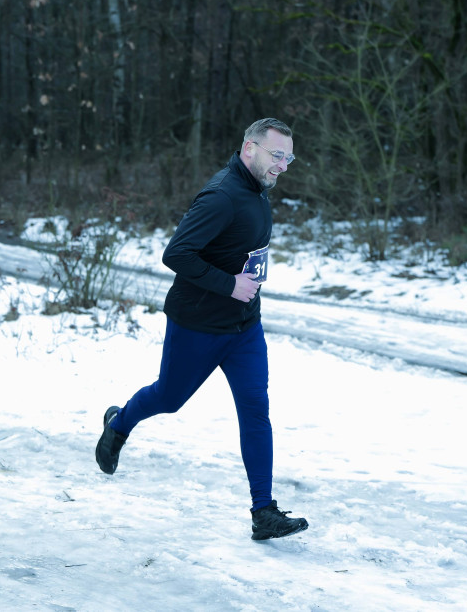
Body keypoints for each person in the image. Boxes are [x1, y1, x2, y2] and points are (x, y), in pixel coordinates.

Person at [95, 118, 308, 541]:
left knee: (255, 411)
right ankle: (119, 423)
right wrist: (230, 284)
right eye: (276, 155)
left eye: (289, 157)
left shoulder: (258, 191)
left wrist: (244, 286)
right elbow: (177, 254)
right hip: (197, 326)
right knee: (169, 398)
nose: (283, 165)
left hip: (245, 328)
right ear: (249, 148)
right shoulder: (222, 196)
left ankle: (263, 511)